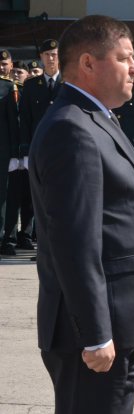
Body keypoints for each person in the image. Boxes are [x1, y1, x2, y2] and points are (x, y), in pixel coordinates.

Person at [29, 15, 134, 414]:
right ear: (89, 63)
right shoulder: (71, 129)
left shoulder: (95, 118)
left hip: (117, 322)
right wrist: (95, 333)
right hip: (92, 333)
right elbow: (74, 242)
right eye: (125, 58)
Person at [5, 39, 61, 258]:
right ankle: (44, 247)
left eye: (54, 54)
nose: (51, 58)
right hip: (38, 152)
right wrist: (26, 152)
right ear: (40, 58)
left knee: (59, 201)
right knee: (41, 202)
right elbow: (25, 121)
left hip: (62, 152)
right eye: (46, 54)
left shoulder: (69, 83)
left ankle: (56, 248)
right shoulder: (31, 86)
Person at [0, 49, 21, 259]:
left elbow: (15, 123)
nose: (1, 67)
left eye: (4, 63)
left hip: (4, 151)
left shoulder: (9, 87)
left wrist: (15, 153)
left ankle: (7, 238)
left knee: (6, 197)